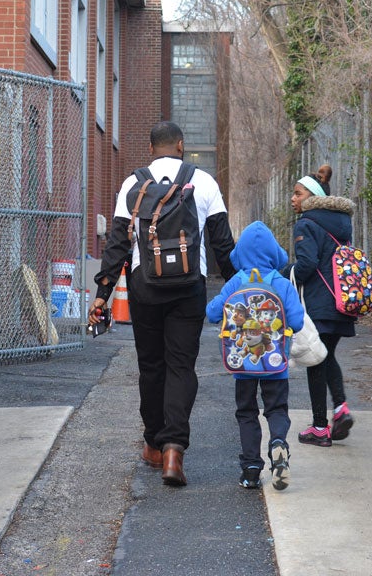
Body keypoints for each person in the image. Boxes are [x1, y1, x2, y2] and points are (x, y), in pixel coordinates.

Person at [87, 121, 235, 487]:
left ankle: (153, 444)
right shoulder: (204, 182)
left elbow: (117, 246)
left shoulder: (132, 184)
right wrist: (238, 286)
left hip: (145, 287)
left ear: (151, 148)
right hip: (189, 288)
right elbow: (222, 245)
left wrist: (103, 294)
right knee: (182, 366)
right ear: (181, 146)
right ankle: (175, 449)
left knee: (152, 366)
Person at [205, 221, 303, 490]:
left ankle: (250, 469)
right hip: (276, 363)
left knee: (247, 412)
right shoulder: (281, 284)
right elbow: (297, 320)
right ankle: (278, 444)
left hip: (243, 364)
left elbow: (213, 313)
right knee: (276, 408)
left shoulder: (236, 282)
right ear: (274, 252)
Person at [290, 164, 358, 447]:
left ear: (312, 196)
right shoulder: (340, 223)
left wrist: (285, 275)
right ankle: (340, 409)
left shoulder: (307, 223)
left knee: (315, 360)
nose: (293, 198)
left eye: (298, 193)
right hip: (343, 300)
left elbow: (306, 265)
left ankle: (320, 428)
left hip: (320, 302)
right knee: (326, 355)